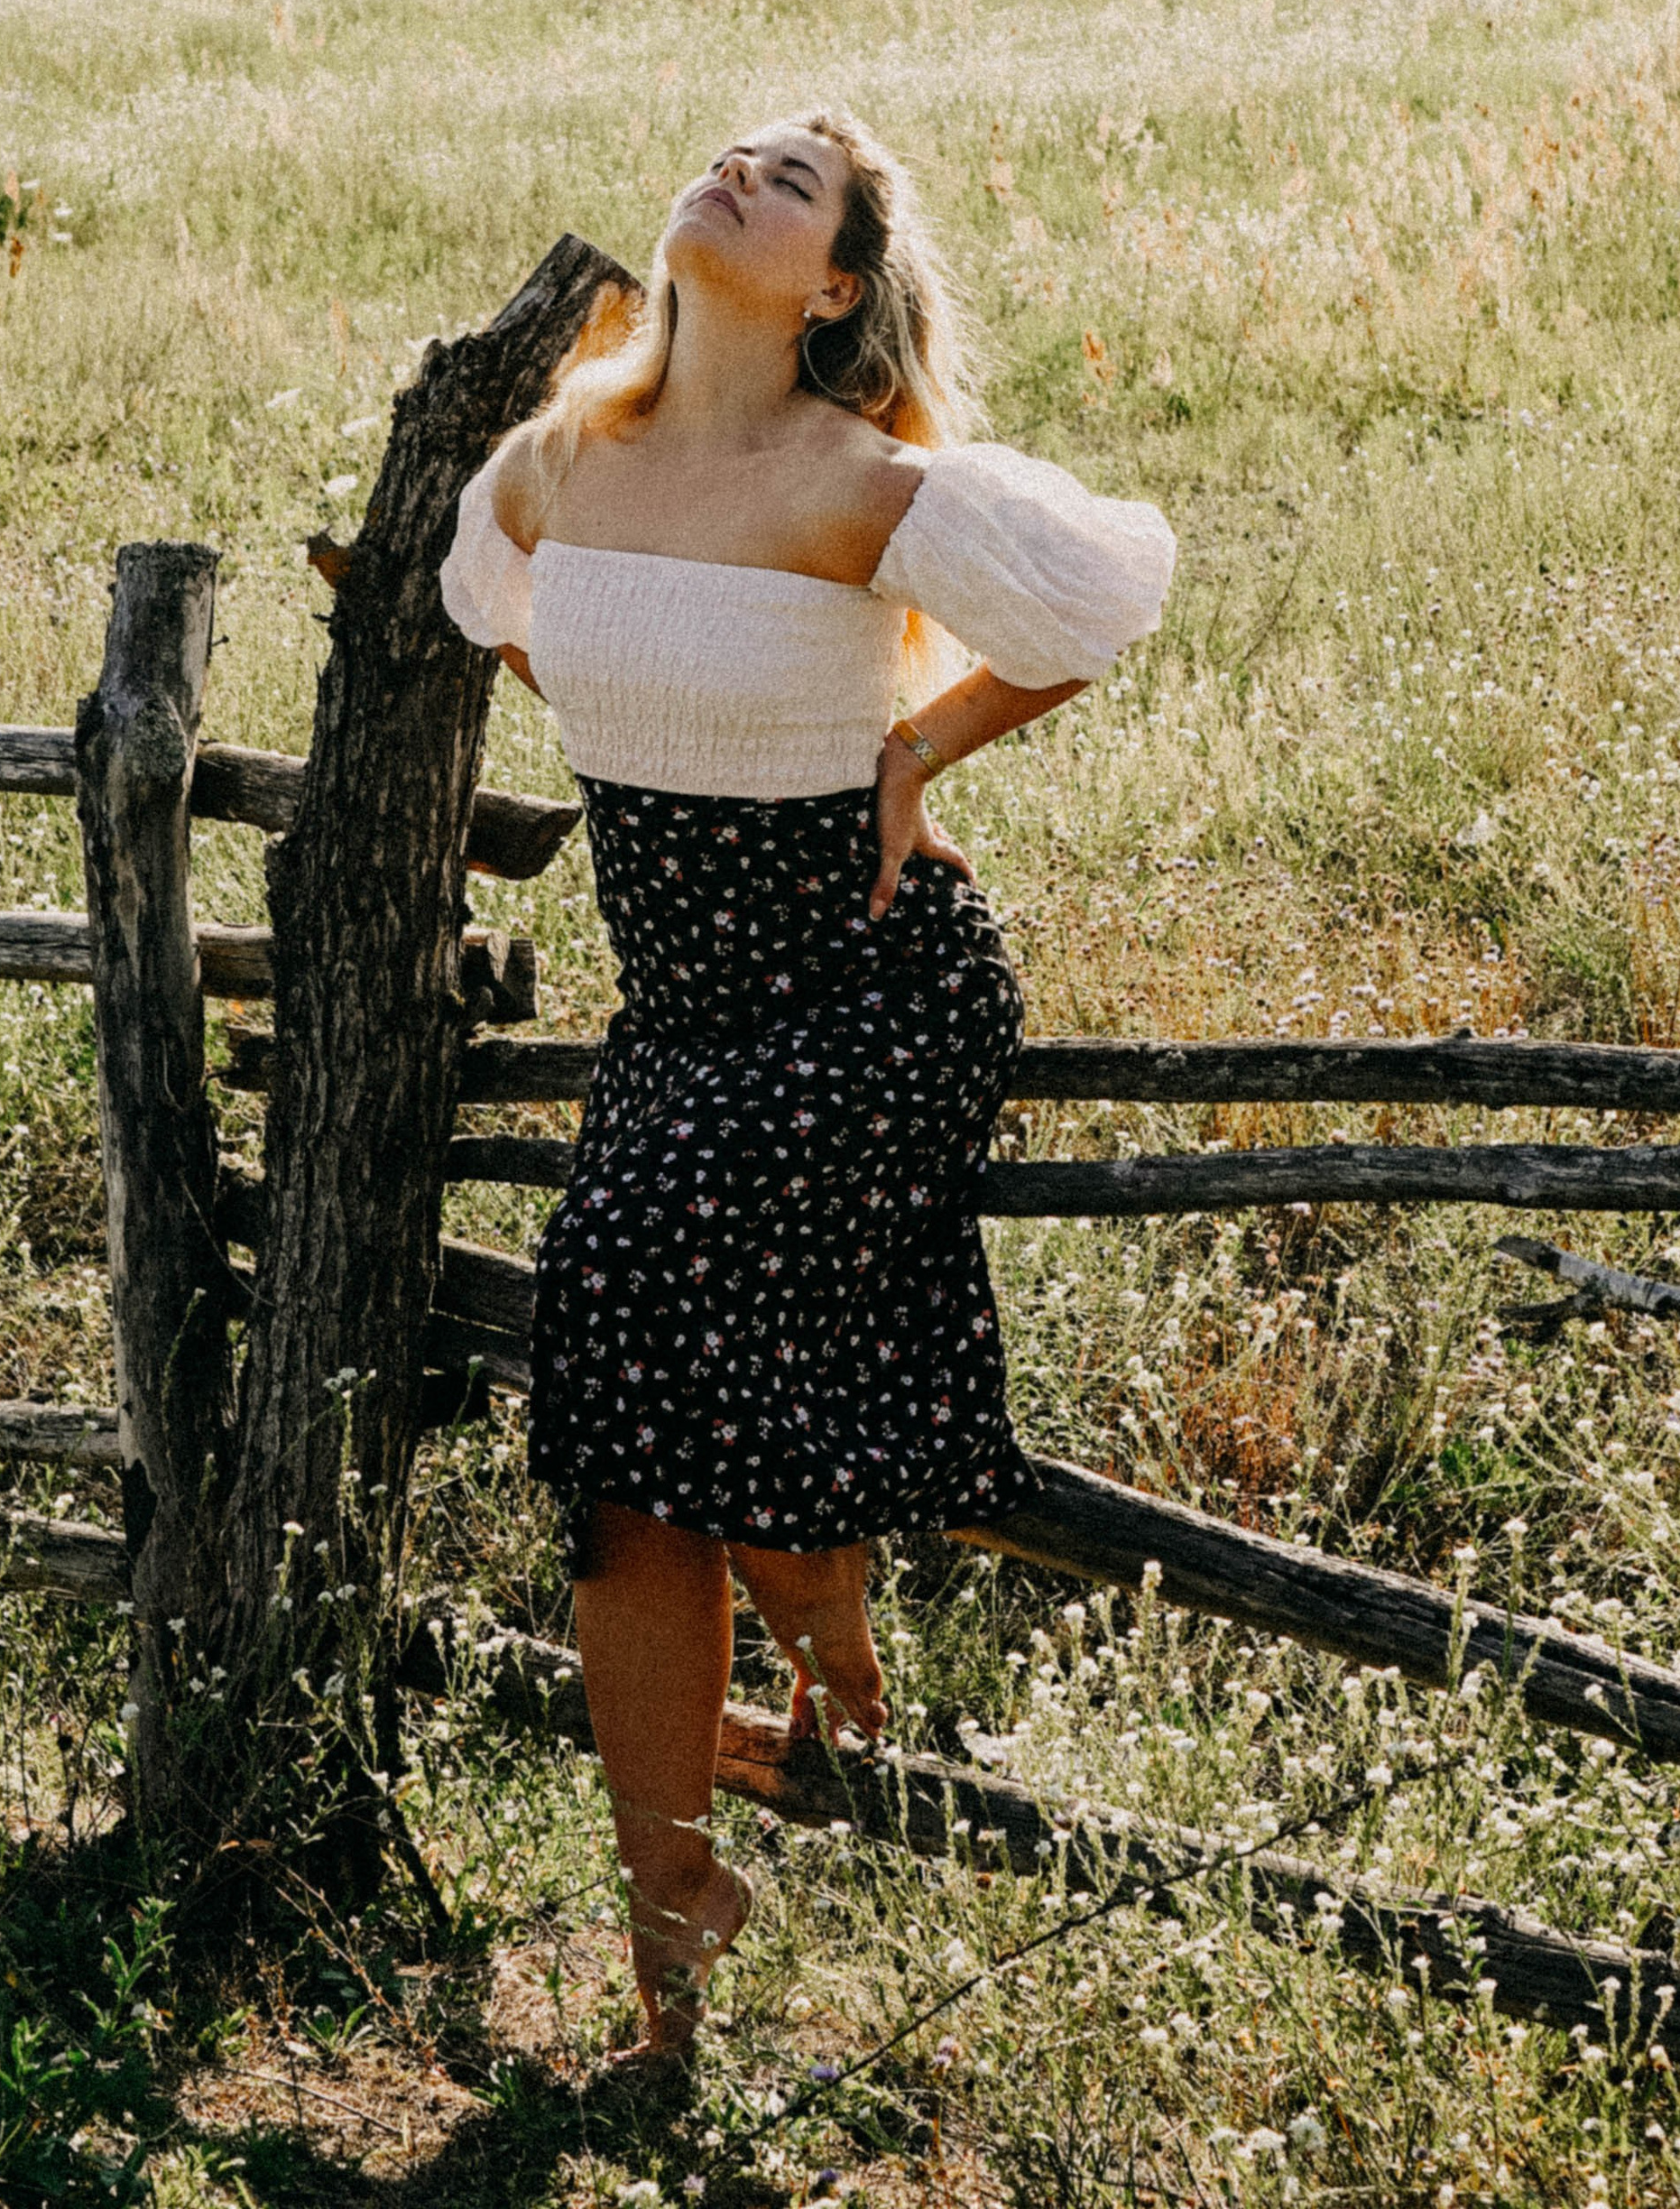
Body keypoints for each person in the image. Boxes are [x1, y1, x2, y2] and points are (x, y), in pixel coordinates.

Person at [440, 106, 1174, 2062]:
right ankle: (670, 1905)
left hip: (869, 988)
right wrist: (653, 711)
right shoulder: (556, 459)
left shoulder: (856, 477)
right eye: (730, 155)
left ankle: (832, 1649)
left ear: (832, 284)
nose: (737, 175)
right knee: (628, 1455)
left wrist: (913, 749)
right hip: (683, 1006)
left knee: (626, 1310)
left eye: (793, 182)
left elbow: (1090, 611)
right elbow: (497, 616)